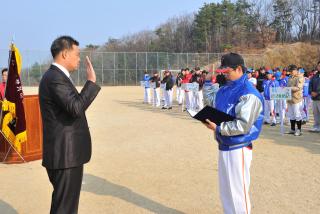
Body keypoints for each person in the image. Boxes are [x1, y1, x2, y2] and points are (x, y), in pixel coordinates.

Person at [39, 36, 101, 214]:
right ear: (65, 54)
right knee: (65, 208)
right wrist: (90, 82)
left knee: (64, 205)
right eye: (77, 54)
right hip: (65, 156)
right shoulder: (54, 78)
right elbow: (76, 108)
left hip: (66, 154)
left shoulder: (56, 76)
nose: (79, 59)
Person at [203, 53, 264, 214]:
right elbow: (211, 102)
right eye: (222, 72)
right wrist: (209, 82)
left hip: (239, 147)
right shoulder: (225, 88)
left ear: (239, 69)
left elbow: (243, 125)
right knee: (226, 192)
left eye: (227, 71)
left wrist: (218, 128)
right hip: (224, 144)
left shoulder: (249, 92)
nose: (225, 75)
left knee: (238, 194)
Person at [286, 64, 304, 136]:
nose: (290, 72)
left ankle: (299, 130)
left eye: (291, 70)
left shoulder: (300, 77)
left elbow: (298, 88)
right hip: (290, 98)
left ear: (296, 70)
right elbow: (288, 86)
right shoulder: (290, 77)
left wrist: (289, 88)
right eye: (290, 71)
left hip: (296, 99)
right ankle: (292, 129)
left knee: (297, 114)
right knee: (291, 115)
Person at [309, 61, 320, 132]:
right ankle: (316, 126)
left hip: (319, 97)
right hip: (314, 98)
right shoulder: (315, 76)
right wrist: (311, 92)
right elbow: (310, 85)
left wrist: (318, 93)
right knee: (315, 114)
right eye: (319, 66)